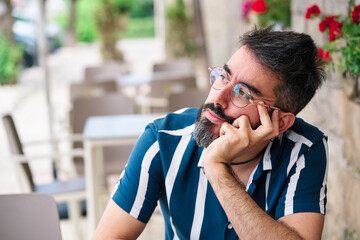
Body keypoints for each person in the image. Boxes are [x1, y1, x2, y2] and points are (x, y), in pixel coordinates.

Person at [94, 26, 328, 240]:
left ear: (281, 122)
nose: (217, 98)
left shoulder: (305, 150)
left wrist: (217, 168)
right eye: (222, 76)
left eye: (243, 93)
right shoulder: (162, 139)